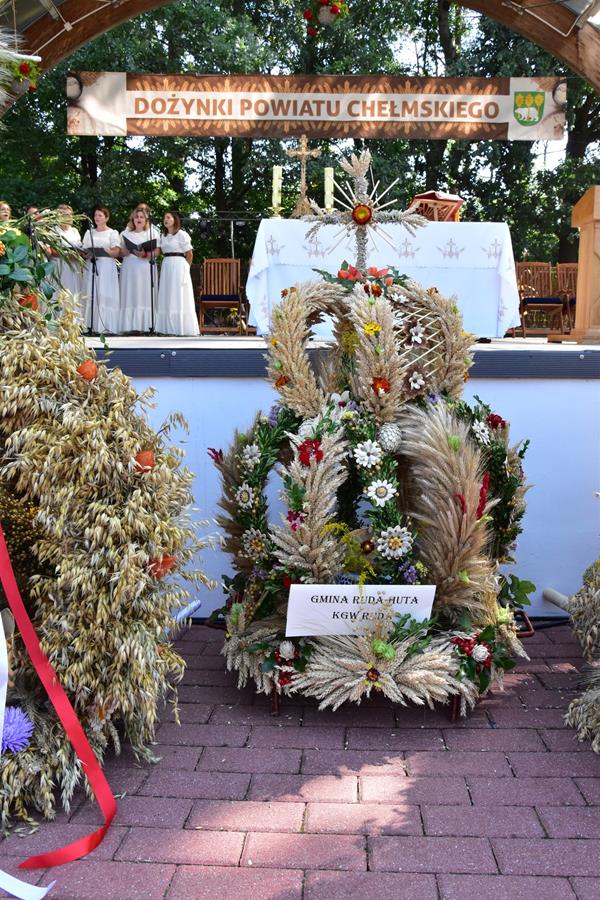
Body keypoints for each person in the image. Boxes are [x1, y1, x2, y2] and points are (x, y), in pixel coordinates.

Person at [156, 211, 199, 336]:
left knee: (178, 294)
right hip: (167, 264)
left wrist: (186, 268)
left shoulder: (182, 234)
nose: (166, 220)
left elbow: (189, 254)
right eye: (164, 218)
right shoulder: (163, 236)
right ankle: (167, 328)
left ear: (175, 219)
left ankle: (181, 327)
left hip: (179, 264)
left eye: (168, 217)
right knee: (167, 294)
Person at [81, 206, 121, 333]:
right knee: (91, 292)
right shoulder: (89, 233)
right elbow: (83, 251)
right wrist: (86, 253)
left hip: (106, 266)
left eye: (100, 215)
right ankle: (90, 325)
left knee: (104, 293)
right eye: (95, 215)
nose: (97, 218)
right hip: (92, 264)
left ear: (106, 218)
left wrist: (105, 251)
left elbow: (117, 252)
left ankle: (106, 325)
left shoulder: (112, 233)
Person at [119, 206, 159, 333]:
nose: (139, 219)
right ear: (133, 219)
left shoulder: (152, 233)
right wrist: (124, 252)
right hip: (129, 268)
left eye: (142, 217)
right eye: (136, 217)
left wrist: (145, 254)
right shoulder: (125, 234)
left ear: (146, 220)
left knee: (144, 294)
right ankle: (129, 326)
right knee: (130, 293)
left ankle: (146, 326)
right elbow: (120, 251)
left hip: (145, 268)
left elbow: (158, 251)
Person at [51, 204, 86, 304]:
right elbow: (52, 250)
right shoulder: (54, 230)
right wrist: (67, 255)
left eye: (70, 215)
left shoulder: (74, 231)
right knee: (62, 293)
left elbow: (80, 247)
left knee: (74, 293)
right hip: (61, 266)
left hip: (74, 265)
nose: (69, 217)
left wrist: (80, 253)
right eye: (65, 215)